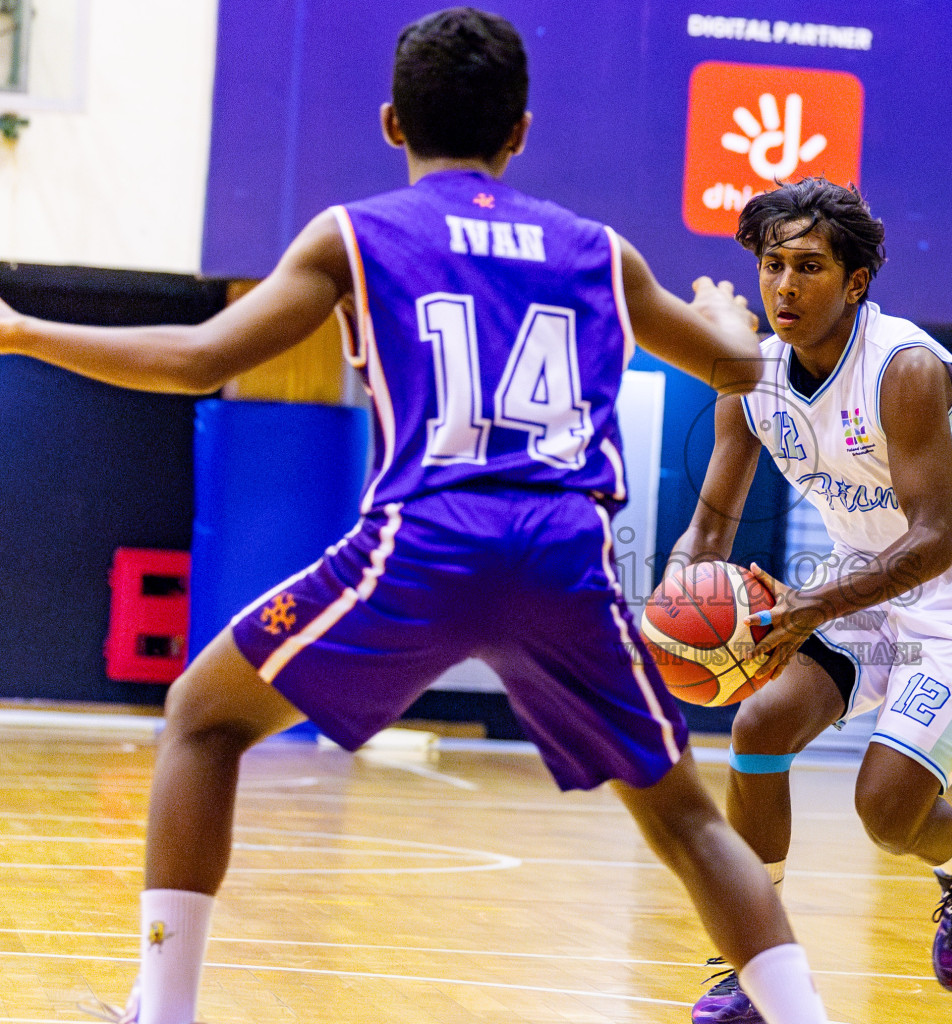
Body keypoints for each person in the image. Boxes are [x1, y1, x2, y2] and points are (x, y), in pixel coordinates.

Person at [0, 9, 829, 1024]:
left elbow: (202, 359)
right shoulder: (599, 250)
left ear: (393, 122)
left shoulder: (355, 233)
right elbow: (742, 368)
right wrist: (734, 323)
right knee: (688, 821)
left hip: (424, 542)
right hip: (566, 552)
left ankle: (163, 1012)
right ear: (520, 131)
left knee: (203, 720)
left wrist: (23, 328)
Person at [673, 177, 952, 1023]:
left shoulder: (903, 369)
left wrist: (806, 609)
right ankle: (752, 963)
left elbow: (933, 541)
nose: (785, 286)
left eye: (809, 266)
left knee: (885, 808)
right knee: (758, 728)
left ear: (855, 282)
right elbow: (711, 528)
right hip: (859, 581)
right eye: (772, 266)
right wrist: (679, 614)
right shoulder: (749, 378)